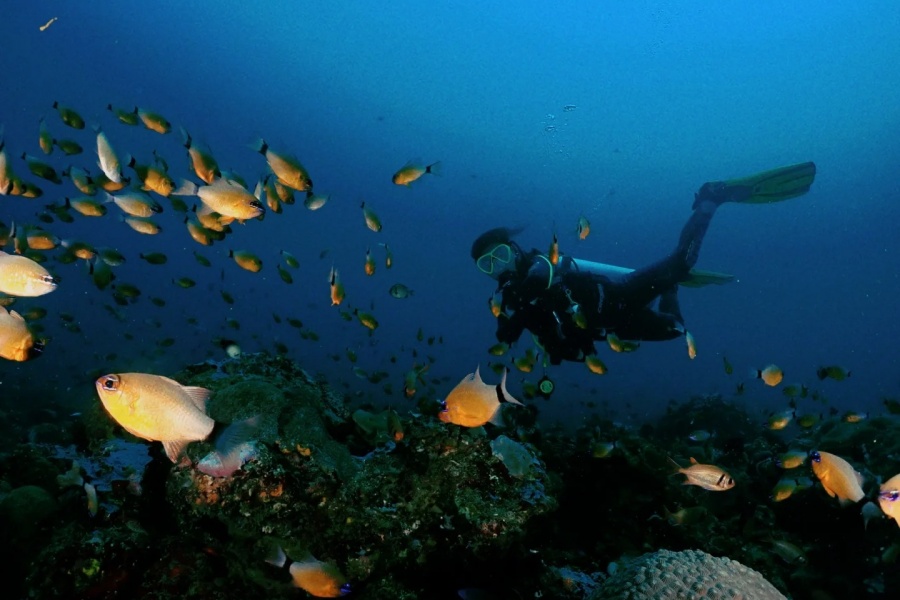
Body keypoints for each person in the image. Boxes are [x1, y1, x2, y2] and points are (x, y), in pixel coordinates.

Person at [472, 162, 817, 365]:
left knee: (681, 263)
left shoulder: (537, 265)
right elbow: (551, 340)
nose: (499, 267)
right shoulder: (513, 301)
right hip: (615, 327)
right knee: (675, 330)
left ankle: (710, 198)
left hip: (618, 294)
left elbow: (540, 277)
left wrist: (514, 315)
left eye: (500, 255)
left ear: (514, 249)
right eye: (488, 265)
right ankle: (670, 287)